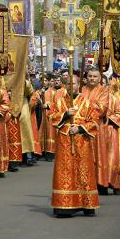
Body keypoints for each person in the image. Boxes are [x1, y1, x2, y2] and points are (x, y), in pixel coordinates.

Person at [49, 73, 100, 217]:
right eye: (69, 84)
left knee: (83, 173)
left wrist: (80, 128)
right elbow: (51, 117)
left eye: (75, 84)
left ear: (79, 85)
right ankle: (64, 206)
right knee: (65, 172)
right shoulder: (59, 102)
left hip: (82, 142)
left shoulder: (87, 103)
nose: (72, 86)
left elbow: (95, 122)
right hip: (65, 143)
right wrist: (65, 114)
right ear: (66, 86)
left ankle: (86, 204)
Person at [80, 67, 110, 195]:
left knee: (99, 155)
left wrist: (84, 108)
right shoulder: (82, 90)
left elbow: (101, 109)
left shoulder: (104, 91)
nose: (92, 78)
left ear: (99, 78)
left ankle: (100, 183)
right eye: (90, 76)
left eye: (94, 76)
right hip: (81, 128)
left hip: (96, 128)